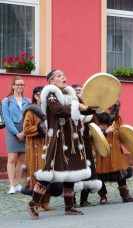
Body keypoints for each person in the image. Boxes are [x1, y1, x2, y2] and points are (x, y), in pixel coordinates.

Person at [26, 70, 92, 219]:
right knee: (49, 172)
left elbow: (87, 111)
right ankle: (33, 203)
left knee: (71, 172)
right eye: (59, 75)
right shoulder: (50, 94)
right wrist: (76, 105)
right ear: (51, 81)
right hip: (57, 139)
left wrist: (93, 103)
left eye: (64, 75)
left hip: (72, 139)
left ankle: (69, 206)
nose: (64, 77)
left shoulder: (71, 96)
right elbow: (59, 110)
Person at [93, 100, 133, 204]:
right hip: (101, 146)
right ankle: (103, 196)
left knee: (120, 169)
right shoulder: (95, 113)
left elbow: (121, 128)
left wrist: (119, 132)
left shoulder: (116, 113)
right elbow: (92, 130)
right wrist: (104, 131)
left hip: (115, 146)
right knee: (99, 171)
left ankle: (125, 195)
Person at [22, 86, 56, 211]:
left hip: (48, 146)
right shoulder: (31, 111)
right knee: (37, 173)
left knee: (49, 174)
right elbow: (26, 129)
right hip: (36, 147)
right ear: (36, 96)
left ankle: (46, 202)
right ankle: (37, 203)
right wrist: (41, 129)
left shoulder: (49, 110)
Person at [71, 84, 102, 207]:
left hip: (85, 141)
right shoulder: (71, 105)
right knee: (74, 170)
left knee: (88, 168)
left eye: (80, 90)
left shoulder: (88, 108)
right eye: (76, 90)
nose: (78, 92)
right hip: (74, 141)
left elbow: (94, 125)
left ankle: (84, 199)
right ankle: (71, 200)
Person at [2, 76, 31, 194]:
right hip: (12, 130)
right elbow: (6, 118)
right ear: (13, 86)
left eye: (22, 85)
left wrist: (24, 132)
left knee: (21, 158)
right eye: (18, 84)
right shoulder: (7, 101)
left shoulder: (28, 101)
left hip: (24, 130)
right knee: (12, 158)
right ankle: (11, 185)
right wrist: (16, 132)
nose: (20, 86)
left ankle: (18, 183)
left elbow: (29, 118)